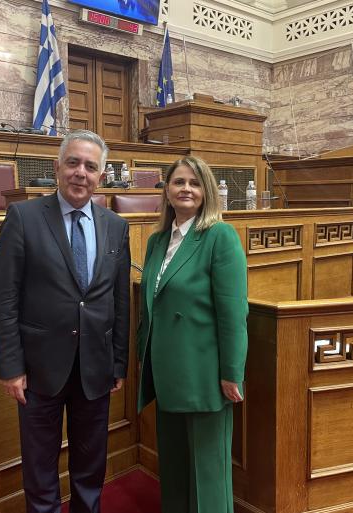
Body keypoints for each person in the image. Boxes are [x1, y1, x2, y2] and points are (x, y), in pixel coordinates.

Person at [0, 129, 130, 513]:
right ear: (57, 168)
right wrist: (11, 367)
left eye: (90, 166)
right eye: (73, 163)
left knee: (90, 466)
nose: (80, 173)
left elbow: (120, 299)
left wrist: (119, 361)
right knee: (40, 469)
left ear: (101, 175)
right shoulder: (23, 217)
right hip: (39, 369)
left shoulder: (115, 226)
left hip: (95, 368)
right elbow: (4, 298)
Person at [137, 156, 248, 513]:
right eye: (179, 182)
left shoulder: (219, 236)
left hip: (204, 375)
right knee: (174, 468)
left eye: (195, 183)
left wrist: (232, 372)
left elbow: (233, 313)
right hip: (166, 372)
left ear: (207, 192)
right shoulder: (157, 241)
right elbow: (151, 306)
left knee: (207, 473)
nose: (186, 189)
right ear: (167, 191)